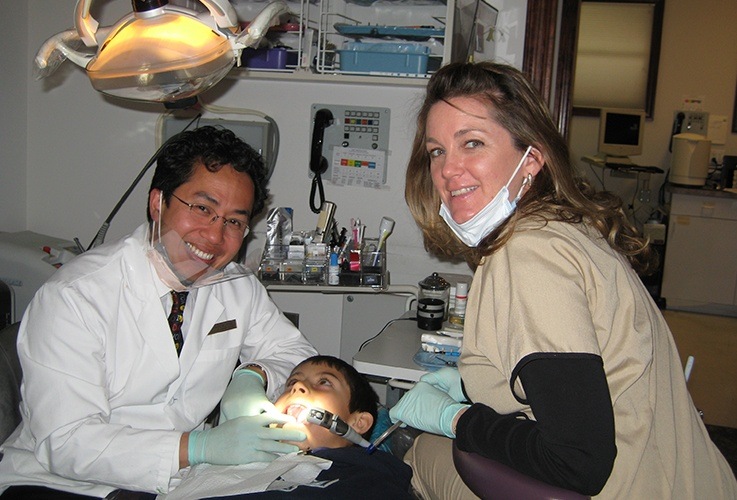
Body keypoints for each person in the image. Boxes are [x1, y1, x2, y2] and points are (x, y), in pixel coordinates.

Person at [390, 61, 737, 499]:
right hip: (695, 480)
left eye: (472, 143)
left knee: (420, 457)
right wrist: (467, 384)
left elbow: (578, 461)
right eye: (437, 150)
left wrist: (455, 419)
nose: (447, 170)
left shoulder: (529, 254)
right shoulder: (562, 226)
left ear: (531, 159)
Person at [0, 126, 318, 498]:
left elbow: (297, 356)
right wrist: (198, 447)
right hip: (59, 482)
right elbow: (67, 442)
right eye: (202, 208)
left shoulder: (235, 287)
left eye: (234, 221)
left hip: (178, 481)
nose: (215, 237)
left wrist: (252, 375)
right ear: (158, 202)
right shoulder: (74, 297)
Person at [201, 355, 413, 499]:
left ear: (358, 423)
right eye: (291, 383)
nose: (298, 387)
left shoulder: (369, 474)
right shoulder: (227, 455)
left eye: (325, 382)